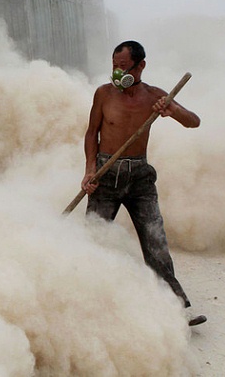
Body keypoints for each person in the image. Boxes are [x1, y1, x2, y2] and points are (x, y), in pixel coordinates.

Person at [80, 40, 206, 326]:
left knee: (156, 242)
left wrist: (171, 110)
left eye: (123, 67)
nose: (117, 73)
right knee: (92, 240)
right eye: (114, 66)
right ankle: (86, 305)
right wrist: (89, 170)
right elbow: (91, 134)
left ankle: (175, 308)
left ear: (141, 66)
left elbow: (194, 121)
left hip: (140, 178)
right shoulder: (103, 94)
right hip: (105, 175)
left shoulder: (155, 96)